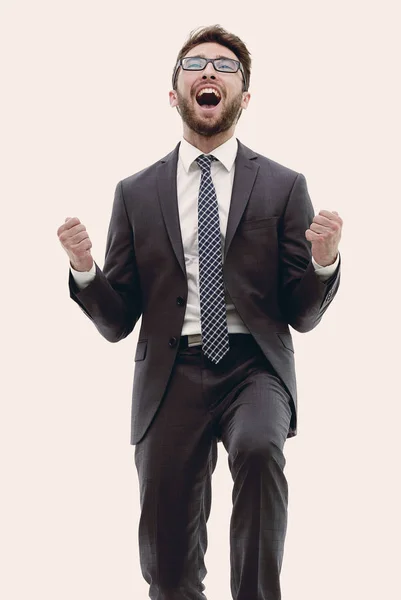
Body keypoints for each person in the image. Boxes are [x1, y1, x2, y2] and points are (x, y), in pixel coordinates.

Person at [57, 24, 342, 600]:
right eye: (195, 65)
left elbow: (301, 313)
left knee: (260, 450)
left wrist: (323, 263)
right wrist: (86, 270)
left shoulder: (285, 187)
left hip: (253, 367)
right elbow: (118, 321)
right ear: (174, 94)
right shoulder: (135, 193)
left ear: (244, 97)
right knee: (167, 569)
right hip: (169, 376)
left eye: (224, 67)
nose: (209, 72)